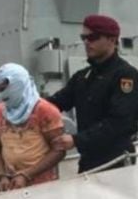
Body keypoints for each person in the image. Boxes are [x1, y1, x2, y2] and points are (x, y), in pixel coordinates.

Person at [47, 14, 138, 172]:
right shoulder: (82, 77)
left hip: (116, 162)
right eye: (84, 37)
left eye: (93, 37)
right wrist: (26, 106)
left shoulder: (125, 76)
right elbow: (55, 103)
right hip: (88, 161)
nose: (87, 42)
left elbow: (119, 122)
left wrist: (76, 140)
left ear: (112, 39)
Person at [0, 63, 65, 190]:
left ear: (19, 83)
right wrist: (2, 176)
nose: (2, 94)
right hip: (13, 187)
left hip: (46, 187)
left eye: (5, 87)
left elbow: (59, 150)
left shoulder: (45, 110)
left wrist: (27, 175)